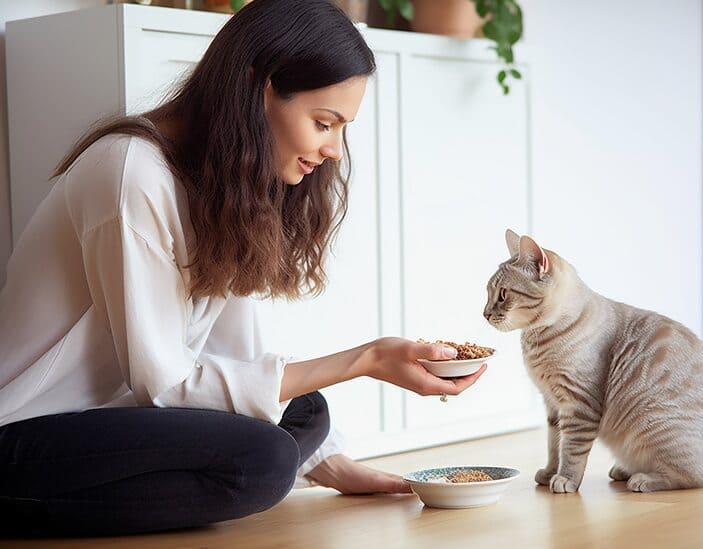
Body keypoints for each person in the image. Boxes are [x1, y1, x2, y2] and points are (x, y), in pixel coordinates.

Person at [0, 0, 486, 536]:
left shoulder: (218, 179)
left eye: (341, 128)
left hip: (116, 415)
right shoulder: (129, 173)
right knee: (264, 458)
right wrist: (366, 359)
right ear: (258, 88)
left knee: (306, 413)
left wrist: (330, 464)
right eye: (323, 123)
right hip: (29, 431)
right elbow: (163, 386)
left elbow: (235, 351)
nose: (333, 150)